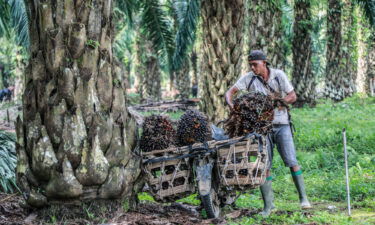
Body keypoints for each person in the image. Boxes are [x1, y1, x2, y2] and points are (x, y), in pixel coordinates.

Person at [225, 50, 311, 216]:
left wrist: (279, 102)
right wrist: (232, 106)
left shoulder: (278, 75)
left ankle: (303, 198)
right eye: (250, 64)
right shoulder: (249, 78)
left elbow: (293, 95)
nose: (252, 67)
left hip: (282, 125)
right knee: (265, 166)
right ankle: (268, 206)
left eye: (255, 64)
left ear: (264, 63)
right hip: (262, 129)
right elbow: (230, 92)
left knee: (292, 160)